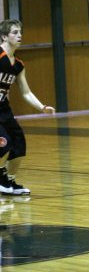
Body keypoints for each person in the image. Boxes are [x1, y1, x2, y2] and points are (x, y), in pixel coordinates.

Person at [0, 19, 55, 195]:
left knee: (18, 143)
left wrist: (42, 107)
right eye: (15, 32)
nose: (20, 35)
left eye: (20, 32)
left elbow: (25, 92)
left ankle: (9, 181)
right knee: (3, 143)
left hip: (3, 109)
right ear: (3, 36)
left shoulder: (18, 64)